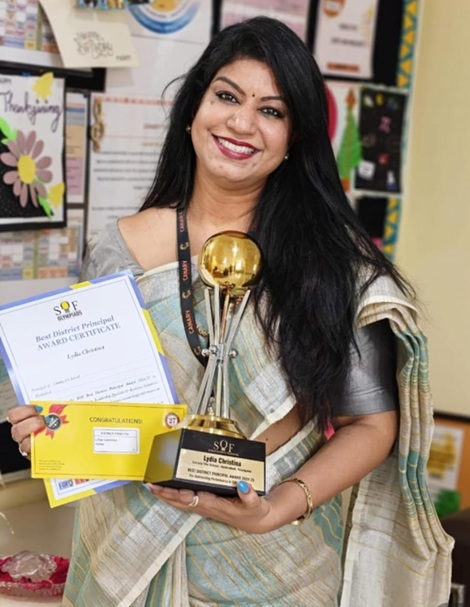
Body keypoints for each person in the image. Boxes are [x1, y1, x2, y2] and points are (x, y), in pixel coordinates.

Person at [7, 16, 452, 607]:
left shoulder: (333, 266)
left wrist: (279, 506)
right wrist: (53, 435)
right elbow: (96, 405)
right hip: (128, 554)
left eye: (271, 110)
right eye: (227, 96)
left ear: (295, 137)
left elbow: (370, 426)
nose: (242, 123)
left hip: (278, 567)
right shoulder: (119, 248)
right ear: (193, 108)